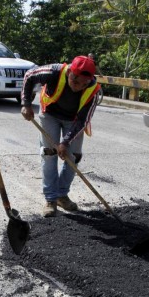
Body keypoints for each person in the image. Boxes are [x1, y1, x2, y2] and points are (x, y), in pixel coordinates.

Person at [20, 55, 101, 217]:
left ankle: (62, 195)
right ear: (70, 72)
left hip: (74, 120)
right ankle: (50, 199)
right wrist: (26, 104)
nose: (78, 87)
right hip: (50, 114)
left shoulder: (93, 89)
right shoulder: (53, 71)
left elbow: (82, 121)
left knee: (74, 157)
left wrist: (65, 142)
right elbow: (29, 76)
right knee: (49, 153)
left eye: (83, 84)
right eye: (75, 81)